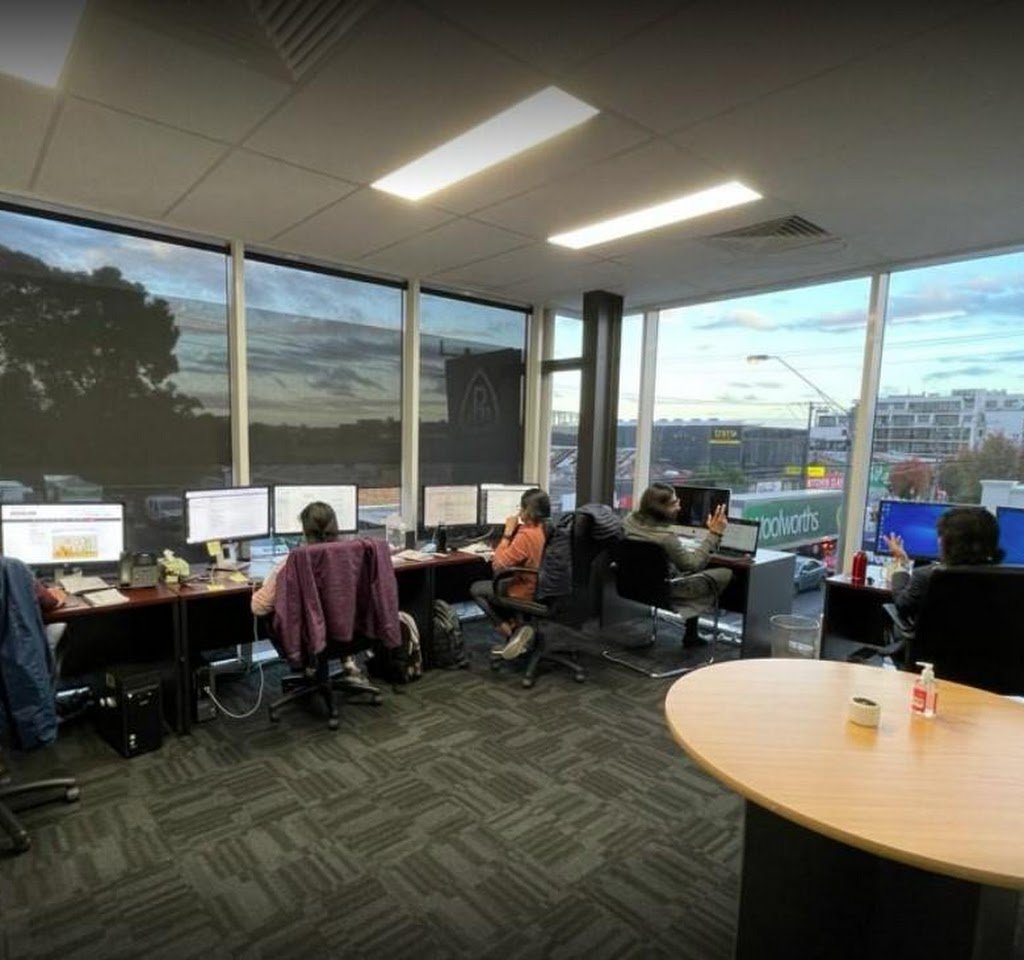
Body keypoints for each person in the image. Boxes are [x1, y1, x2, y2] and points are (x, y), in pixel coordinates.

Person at [251, 501, 362, 677]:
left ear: (304, 531)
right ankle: (344, 661)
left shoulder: (293, 562)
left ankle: (309, 666)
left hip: (309, 639)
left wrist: (263, 585)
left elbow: (259, 607)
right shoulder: (354, 556)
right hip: (350, 633)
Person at [623, 483, 732, 644]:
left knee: (684, 571)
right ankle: (693, 635)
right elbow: (692, 565)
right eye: (674, 503)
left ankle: (691, 634)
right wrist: (714, 534)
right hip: (663, 592)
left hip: (632, 587)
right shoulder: (667, 538)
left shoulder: (628, 521)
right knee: (726, 573)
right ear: (660, 508)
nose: (680, 507)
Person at [884, 505, 1003, 625]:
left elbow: (902, 605)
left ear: (946, 543)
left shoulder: (928, 576)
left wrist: (901, 565)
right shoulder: (1004, 578)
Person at [470, 488, 551, 660]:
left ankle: (512, 634)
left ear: (527, 511)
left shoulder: (526, 535)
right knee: (498, 585)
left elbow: (498, 565)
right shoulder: (546, 529)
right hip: (546, 588)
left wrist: (507, 533)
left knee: (477, 589)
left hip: (526, 590)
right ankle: (519, 628)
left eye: (521, 507)